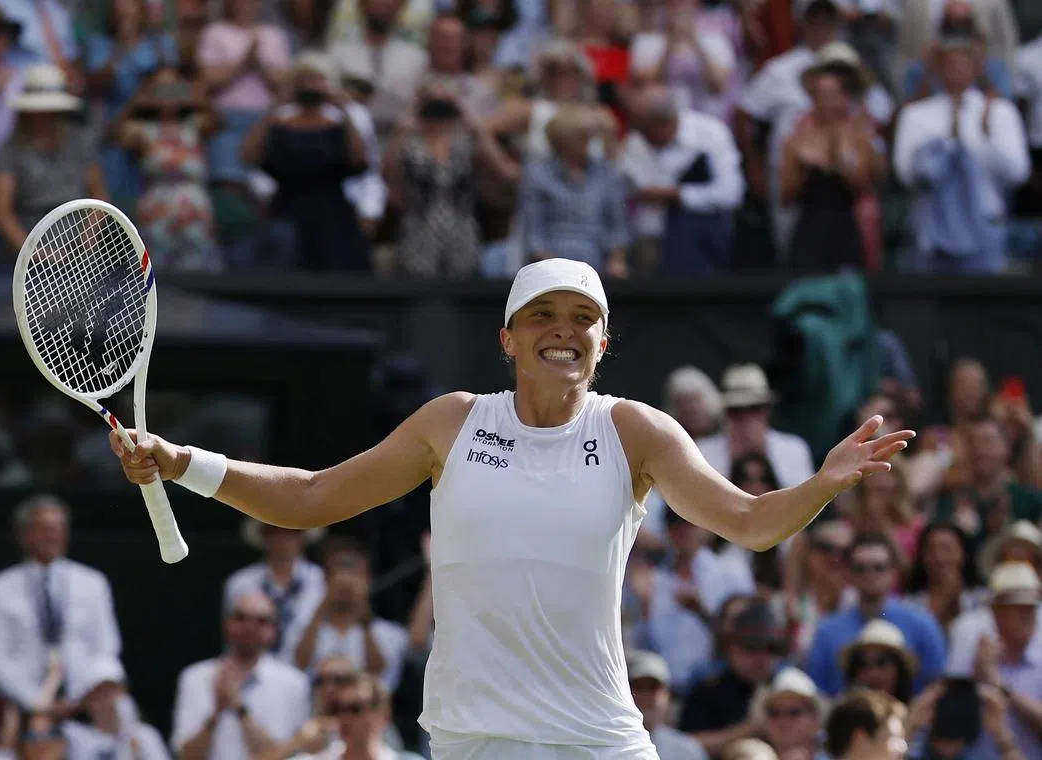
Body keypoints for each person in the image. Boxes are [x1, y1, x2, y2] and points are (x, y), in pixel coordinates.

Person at [110, 257, 914, 760]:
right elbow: (313, 497)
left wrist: (820, 485)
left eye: (583, 320)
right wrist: (186, 463)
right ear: (507, 337)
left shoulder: (635, 430)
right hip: (475, 741)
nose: (563, 333)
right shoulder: (450, 422)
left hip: (599, 740)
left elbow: (748, 521)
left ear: (605, 344)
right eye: (543, 317)